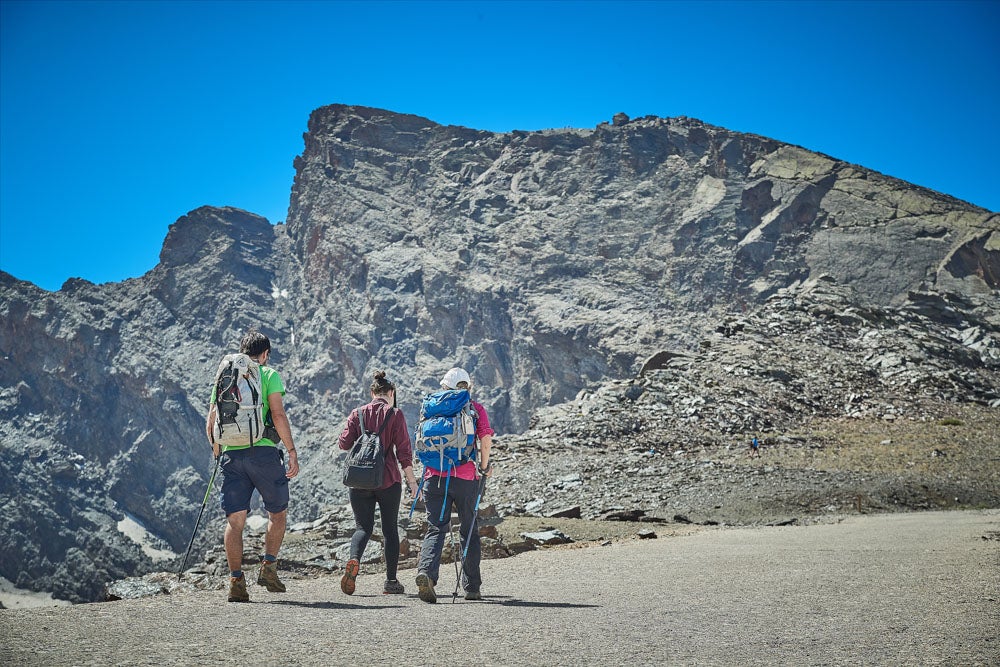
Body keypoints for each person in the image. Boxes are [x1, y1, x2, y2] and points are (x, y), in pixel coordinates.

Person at [205, 329, 299, 603]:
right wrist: (291, 450)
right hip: (264, 454)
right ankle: (268, 567)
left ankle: (235, 581)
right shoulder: (268, 375)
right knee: (277, 513)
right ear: (265, 354)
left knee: (235, 522)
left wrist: (217, 450)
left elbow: (211, 419)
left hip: (232, 457)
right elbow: (278, 414)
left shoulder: (225, 375)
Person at [415, 367, 494, 603]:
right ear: (467, 387)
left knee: (436, 528)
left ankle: (426, 573)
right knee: (469, 529)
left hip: (434, 478)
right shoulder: (474, 408)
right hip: (465, 478)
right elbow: (486, 439)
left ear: (445, 387)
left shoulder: (431, 407)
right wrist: (484, 466)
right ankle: (471, 587)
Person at [337, 370, 418, 595]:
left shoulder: (358, 413)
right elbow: (404, 452)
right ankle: (391, 582)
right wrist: (412, 483)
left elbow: (343, 444)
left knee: (363, 527)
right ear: (390, 393)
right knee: (390, 529)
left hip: (359, 481)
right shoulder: (395, 414)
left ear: (372, 392)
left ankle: (354, 560)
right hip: (388, 480)